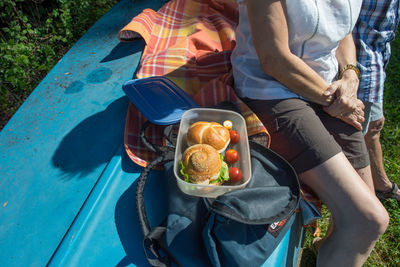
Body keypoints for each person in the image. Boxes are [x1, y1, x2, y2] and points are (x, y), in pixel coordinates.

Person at [230, 0, 389, 266]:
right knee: (369, 220)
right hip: (271, 90)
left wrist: (351, 74)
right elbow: (274, 59)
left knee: (360, 211)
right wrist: (337, 103)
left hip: (328, 88)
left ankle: (325, 251)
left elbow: (343, 31)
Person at [353, 0, 400, 204]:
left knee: (374, 125)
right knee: (354, 141)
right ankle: (357, 206)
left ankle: (379, 184)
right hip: (360, 59)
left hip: (375, 52)